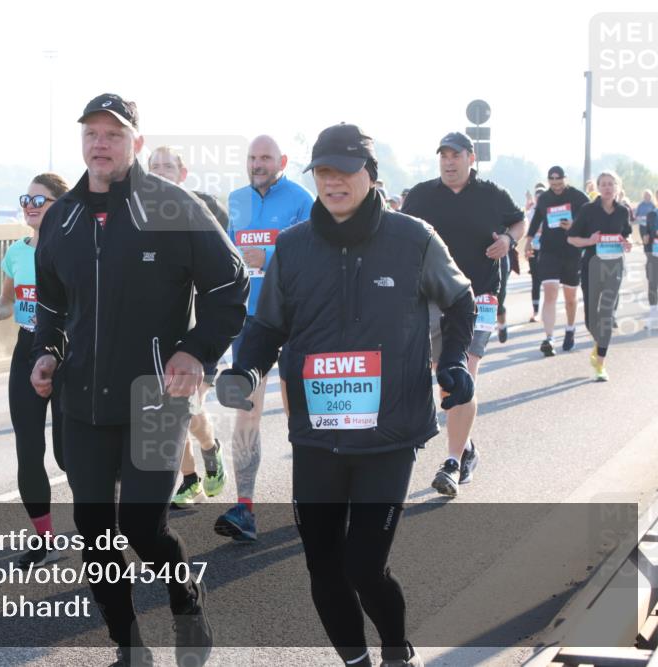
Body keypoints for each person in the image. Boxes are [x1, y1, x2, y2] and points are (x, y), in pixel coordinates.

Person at [217, 123, 476, 667]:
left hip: (389, 433)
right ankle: (355, 662)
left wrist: (451, 361)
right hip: (317, 434)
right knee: (322, 566)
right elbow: (266, 327)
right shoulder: (292, 248)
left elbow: (460, 301)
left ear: (370, 175)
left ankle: (396, 651)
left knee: (364, 566)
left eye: (345, 171)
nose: (334, 182)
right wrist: (245, 368)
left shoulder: (414, 238)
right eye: (325, 173)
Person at [31, 93, 248, 666]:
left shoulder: (173, 208)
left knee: (143, 525)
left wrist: (195, 351)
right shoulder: (62, 217)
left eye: (114, 134)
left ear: (137, 143)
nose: (100, 144)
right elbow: (51, 306)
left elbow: (231, 288)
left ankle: (184, 597)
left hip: (156, 396)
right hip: (81, 400)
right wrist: (48, 353)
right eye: (92, 134)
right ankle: (128, 646)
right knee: (95, 529)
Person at [401, 132, 525, 498]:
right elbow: (398, 233)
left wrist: (509, 241)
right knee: (438, 377)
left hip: (480, 296)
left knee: (462, 371)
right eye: (443, 155)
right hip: (433, 296)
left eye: (456, 155)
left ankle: (454, 461)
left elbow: (518, 222)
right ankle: (467, 444)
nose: (449, 162)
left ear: (471, 158)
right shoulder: (422, 195)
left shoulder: (492, 194)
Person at [220, 134, 313, 540]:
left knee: (298, 413)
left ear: (283, 161)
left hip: (294, 318)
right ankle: (245, 507)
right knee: (247, 411)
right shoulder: (237, 199)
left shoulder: (301, 198)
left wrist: (270, 257)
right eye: (252, 157)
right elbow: (224, 251)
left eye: (265, 158)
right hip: (249, 320)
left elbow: (316, 251)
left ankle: (310, 502)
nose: (257, 164)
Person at [0, 172, 70, 567]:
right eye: (26, 199)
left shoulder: (74, 249)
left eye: (40, 200)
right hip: (27, 348)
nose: (30, 206)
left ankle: (100, 528)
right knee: (28, 448)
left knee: (72, 455)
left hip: (69, 354)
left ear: (60, 205)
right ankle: (44, 537)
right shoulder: (17, 252)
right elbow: (7, 303)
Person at [147, 146, 228, 507]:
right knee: (166, 412)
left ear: (183, 172)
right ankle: (190, 477)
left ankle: (210, 448)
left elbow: (226, 274)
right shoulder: (137, 214)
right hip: (157, 332)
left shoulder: (205, 209)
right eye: (154, 167)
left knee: (187, 410)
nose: (161, 173)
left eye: (168, 166)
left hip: (198, 332)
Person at [567, 171, 633, 381]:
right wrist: (590, 241)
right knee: (590, 320)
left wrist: (627, 243)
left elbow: (627, 234)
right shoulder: (588, 210)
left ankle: (601, 364)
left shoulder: (623, 211)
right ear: (598, 187)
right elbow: (572, 239)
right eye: (603, 184)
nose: (607, 187)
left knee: (606, 314)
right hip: (591, 267)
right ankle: (599, 344)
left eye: (610, 184)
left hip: (614, 267)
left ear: (616, 186)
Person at [524, 167, 590, 356]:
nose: (557, 188)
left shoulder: (577, 196)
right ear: (548, 182)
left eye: (560, 184)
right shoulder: (544, 198)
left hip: (571, 251)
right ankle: (549, 338)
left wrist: (575, 224)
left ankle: (570, 329)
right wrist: (528, 241)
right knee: (550, 293)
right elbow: (537, 219)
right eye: (553, 184)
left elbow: (590, 216)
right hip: (549, 251)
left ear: (565, 180)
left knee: (570, 298)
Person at [526, 184, 547, 322]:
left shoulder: (550, 210)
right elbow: (529, 230)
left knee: (548, 281)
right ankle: (535, 311)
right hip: (534, 248)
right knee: (536, 280)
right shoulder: (530, 212)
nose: (539, 200)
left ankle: (548, 307)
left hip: (548, 249)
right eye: (537, 198)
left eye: (542, 198)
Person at [643, 205, 658, 329]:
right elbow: (646, 232)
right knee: (652, 285)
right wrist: (645, 237)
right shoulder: (651, 215)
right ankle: (653, 315)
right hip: (654, 255)